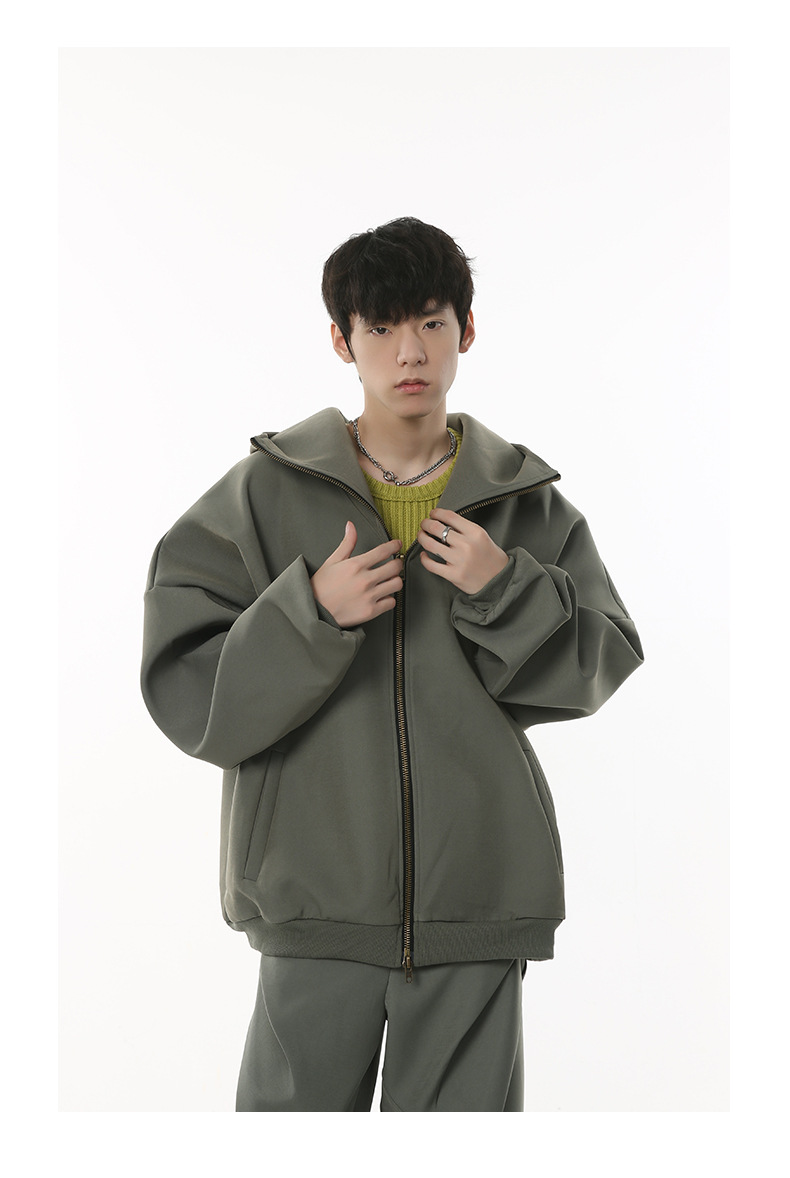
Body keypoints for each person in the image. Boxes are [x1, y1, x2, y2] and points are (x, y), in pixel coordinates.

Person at [140, 216, 644, 1112]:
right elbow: (185, 683)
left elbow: (599, 662)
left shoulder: (525, 506)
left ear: (467, 330)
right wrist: (308, 615)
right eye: (380, 327)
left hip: (477, 902)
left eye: (431, 322)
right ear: (343, 341)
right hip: (310, 900)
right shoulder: (262, 492)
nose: (410, 351)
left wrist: (505, 588)